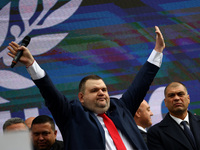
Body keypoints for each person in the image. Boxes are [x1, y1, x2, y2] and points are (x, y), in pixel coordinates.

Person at [7, 26, 165, 150]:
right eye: (94, 90)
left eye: (104, 89)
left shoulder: (121, 108)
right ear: (81, 98)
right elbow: (49, 92)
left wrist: (157, 51)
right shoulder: (71, 114)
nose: (101, 93)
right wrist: (31, 64)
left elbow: (141, 83)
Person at [147, 82, 200, 150]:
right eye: (171, 95)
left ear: (188, 99)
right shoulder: (155, 133)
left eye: (180, 94)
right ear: (165, 102)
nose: (176, 98)